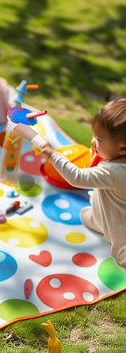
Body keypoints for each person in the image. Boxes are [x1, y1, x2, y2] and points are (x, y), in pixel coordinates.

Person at [40, 99, 126, 269]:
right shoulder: (116, 162)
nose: (93, 141)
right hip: (102, 215)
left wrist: (52, 154)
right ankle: (101, 223)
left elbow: (76, 177)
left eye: (99, 139)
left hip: (120, 228)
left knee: (121, 254)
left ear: (123, 148)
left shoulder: (113, 172)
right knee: (86, 214)